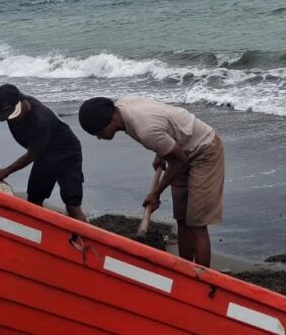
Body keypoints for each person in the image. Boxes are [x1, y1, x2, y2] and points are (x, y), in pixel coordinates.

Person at [77, 95, 224, 267]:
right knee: (182, 219)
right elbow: (162, 122)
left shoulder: (145, 130)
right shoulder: (123, 107)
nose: (99, 138)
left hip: (204, 150)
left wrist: (156, 193)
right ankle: (186, 273)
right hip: (181, 148)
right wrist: (161, 152)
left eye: (99, 132)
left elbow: (179, 161)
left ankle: (204, 283)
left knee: (197, 223)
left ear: (109, 120)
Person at [0, 84, 88, 222]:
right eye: (7, 115)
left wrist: (6, 171)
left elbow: (31, 155)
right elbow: (3, 109)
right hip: (44, 156)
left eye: (14, 113)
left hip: (67, 156)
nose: (12, 118)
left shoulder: (40, 121)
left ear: (22, 100)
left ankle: (89, 240)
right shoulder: (13, 105)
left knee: (72, 206)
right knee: (34, 201)